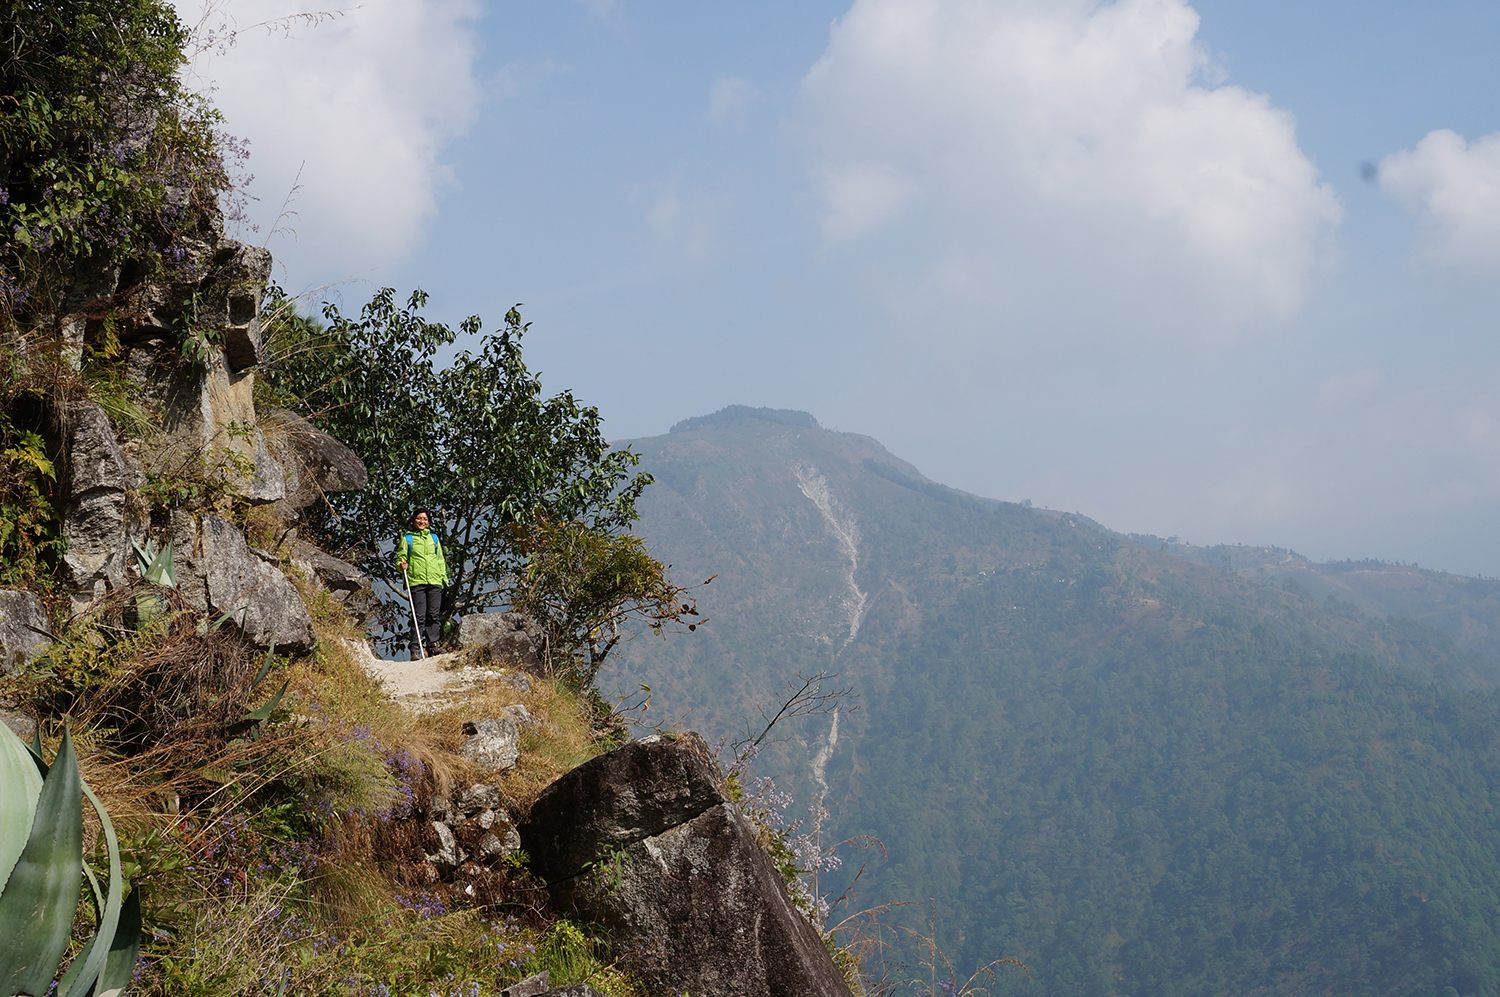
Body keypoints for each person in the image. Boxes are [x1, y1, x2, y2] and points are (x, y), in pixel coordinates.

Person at [396, 509, 448, 657]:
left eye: (425, 519)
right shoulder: (407, 539)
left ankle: (433, 645)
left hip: (434, 581)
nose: (422, 521)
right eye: (419, 519)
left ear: (429, 522)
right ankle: (416, 649)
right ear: (413, 521)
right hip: (416, 581)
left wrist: (443, 579)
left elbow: (440, 560)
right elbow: (400, 558)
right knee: (419, 616)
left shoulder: (434, 538)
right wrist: (401, 565)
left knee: (433, 615)